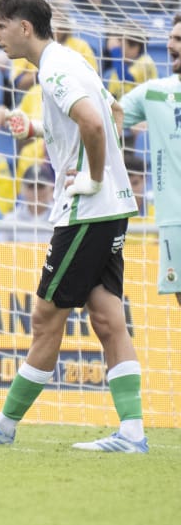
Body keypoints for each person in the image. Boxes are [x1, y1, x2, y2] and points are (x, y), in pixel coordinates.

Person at [0, 0, 145, 452]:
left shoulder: (56, 69)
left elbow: (96, 125)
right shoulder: (69, 61)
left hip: (86, 212)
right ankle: (132, 433)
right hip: (112, 208)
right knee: (106, 318)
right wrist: (37, 130)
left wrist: (93, 177)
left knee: (45, 316)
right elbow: (112, 114)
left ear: (24, 27)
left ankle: (4, 424)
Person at [118, 15, 181, 307]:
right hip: (175, 221)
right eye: (170, 37)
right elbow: (104, 118)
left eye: (178, 39)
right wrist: (36, 127)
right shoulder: (155, 92)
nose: (170, 44)